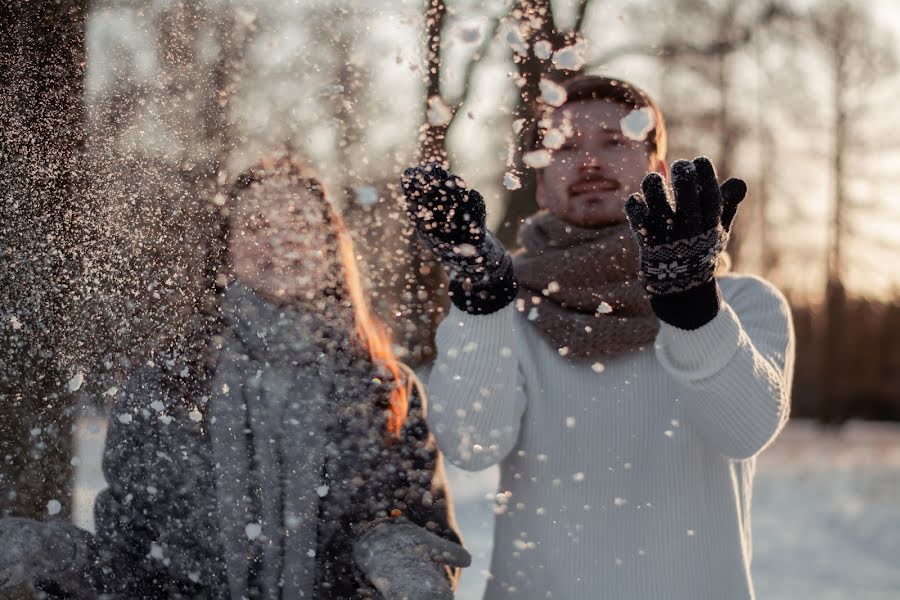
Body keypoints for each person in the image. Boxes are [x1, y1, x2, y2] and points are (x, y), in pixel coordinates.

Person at [0, 157, 470, 599]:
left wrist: (397, 554)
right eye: (258, 226)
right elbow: (127, 568)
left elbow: (425, 532)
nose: (281, 241)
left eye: (300, 226)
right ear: (225, 254)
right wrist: (51, 555)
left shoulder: (384, 387)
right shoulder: (162, 386)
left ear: (330, 250)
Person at [401, 75, 794, 599]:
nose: (589, 161)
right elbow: (472, 444)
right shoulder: (501, 308)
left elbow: (744, 431)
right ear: (540, 183)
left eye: (614, 140)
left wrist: (690, 306)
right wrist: (483, 301)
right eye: (564, 146)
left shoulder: (740, 303)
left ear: (656, 167)